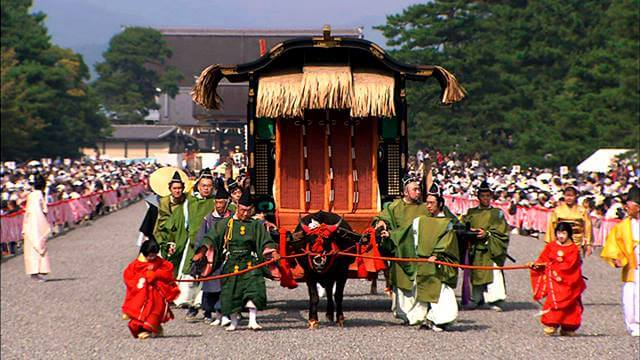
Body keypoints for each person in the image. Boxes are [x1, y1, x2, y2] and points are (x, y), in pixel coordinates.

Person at [380, 184, 460, 331]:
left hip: (439, 263)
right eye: (427, 202)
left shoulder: (447, 223)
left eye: (432, 203)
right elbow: (406, 232)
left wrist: (437, 254)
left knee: (441, 292)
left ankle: (440, 320)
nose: (428, 206)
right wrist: (391, 235)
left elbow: (447, 242)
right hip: (423, 262)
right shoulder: (420, 221)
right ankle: (427, 318)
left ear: (440, 204)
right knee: (421, 291)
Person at [201, 192, 280, 331]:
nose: (245, 213)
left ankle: (253, 320)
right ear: (237, 206)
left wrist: (272, 252)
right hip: (232, 262)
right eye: (243, 210)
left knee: (254, 288)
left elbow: (265, 241)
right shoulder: (227, 223)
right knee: (231, 292)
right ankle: (233, 322)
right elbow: (212, 236)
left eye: (249, 211)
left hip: (250, 261)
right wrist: (203, 249)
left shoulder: (255, 224)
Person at [375, 174, 431, 295]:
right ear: (405, 192)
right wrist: (381, 222)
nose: (418, 192)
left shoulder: (426, 207)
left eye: (419, 189)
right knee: (401, 286)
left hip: (420, 251)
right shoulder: (394, 207)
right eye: (414, 189)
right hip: (401, 250)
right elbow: (381, 218)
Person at [530, 222, 586, 336]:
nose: (561, 236)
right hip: (555, 281)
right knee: (554, 302)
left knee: (571, 304)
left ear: (568, 234)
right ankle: (551, 324)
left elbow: (570, 266)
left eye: (564, 233)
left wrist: (551, 267)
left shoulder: (573, 249)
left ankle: (568, 327)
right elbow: (543, 258)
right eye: (559, 233)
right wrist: (537, 265)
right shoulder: (551, 246)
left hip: (569, 281)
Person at [174, 168, 216, 321]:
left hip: (211, 246)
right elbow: (185, 224)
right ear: (198, 186)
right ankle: (192, 307)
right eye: (203, 185)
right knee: (192, 277)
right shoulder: (189, 202)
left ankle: (206, 310)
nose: (206, 188)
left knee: (209, 278)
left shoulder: (216, 202)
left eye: (209, 186)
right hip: (193, 245)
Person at [462, 180, 510, 311]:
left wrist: (487, 233)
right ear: (478, 197)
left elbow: (502, 231)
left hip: (490, 248)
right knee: (475, 272)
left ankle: (495, 299)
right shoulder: (471, 212)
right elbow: (463, 225)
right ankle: (476, 298)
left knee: (493, 273)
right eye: (483, 196)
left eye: (488, 196)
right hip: (475, 248)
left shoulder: (497, 213)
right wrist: (469, 232)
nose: (486, 199)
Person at [193, 181, 233, 326]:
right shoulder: (208, 219)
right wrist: (201, 251)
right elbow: (201, 237)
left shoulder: (233, 218)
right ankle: (209, 311)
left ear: (227, 203)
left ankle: (226, 312)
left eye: (222, 202)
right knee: (210, 285)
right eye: (217, 202)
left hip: (228, 255)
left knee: (227, 285)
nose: (219, 205)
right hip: (211, 256)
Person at [122, 239, 180, 339]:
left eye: (154, 255)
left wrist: (156, 274)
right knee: (138, 316)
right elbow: (128, 277)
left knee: (154, 312)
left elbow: (168, 271)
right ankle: (150, 329)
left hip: (156, 294)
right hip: (142, 295)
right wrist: (143, 278)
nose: (152, 258)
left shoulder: (160, 262)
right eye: (150, 255)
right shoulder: (135, 265)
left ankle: (149, 329)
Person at [601, 186, 640, 337]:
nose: (626, 209)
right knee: (629, 296)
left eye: (629, 206)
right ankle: (633, 324)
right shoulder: (623, 226)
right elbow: (614, 243)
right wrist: (616, 257)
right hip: (631, 265)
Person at [546, 186, 593, 257]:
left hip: (577, 239)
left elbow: (588, 226)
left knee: (574, 262)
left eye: (571, 196)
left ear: (575, 196)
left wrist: (588, 243)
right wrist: (551, 243)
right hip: (561, 238)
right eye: (567, 196)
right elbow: (552, 227)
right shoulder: (558, 210)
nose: (569, 198)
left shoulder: (582, 211)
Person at [22, 174, 51, 282]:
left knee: (32, 248)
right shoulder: (38, 195)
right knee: (37, 246)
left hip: (30, 223)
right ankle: (36, 271)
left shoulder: (32, 195)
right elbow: (41, 210)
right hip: (36, 223)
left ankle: (37, 271)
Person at [154, 171, 186, 257]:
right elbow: (163, 220)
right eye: (174, 188)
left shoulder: (187, 200)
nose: (177, 191)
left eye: (179, 188)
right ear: (170, 189)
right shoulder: (164, 202)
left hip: (183, 234)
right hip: (167, 233)